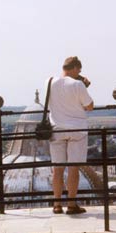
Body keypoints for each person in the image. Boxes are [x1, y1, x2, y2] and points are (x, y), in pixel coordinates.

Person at [47, 56, 94, 215]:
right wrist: (83, 85)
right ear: (74, 68)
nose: (79, 73)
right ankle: (72, 204)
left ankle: (57, 204)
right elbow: (89, 106)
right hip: (77, 130)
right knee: (73, 168)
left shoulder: (49, 82)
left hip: (56, 130)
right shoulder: (78, 84)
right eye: (79, 70)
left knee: (57, 169)